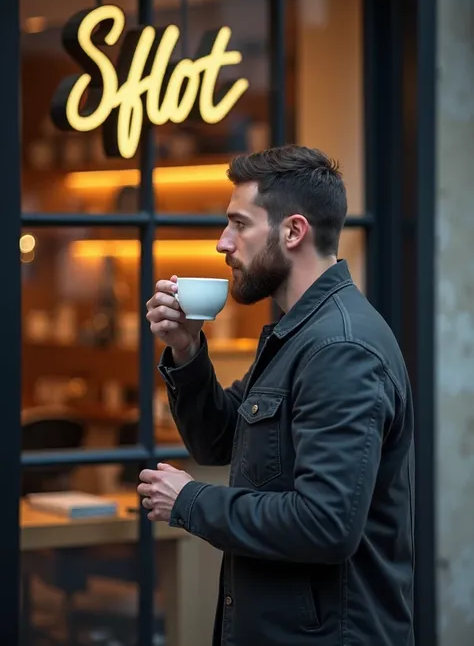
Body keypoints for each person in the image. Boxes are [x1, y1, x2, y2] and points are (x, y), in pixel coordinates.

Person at [139, 145, 415, 646]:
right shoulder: (299, 334)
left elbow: (326, 523)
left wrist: (192, 500)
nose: (223, 243)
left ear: (293, 231)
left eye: (238, 224)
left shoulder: (340, 348)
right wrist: (186, 349)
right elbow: (219, 440)